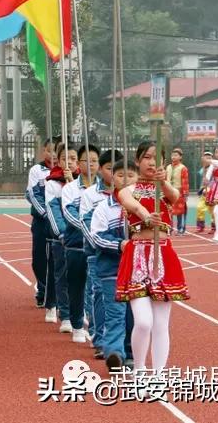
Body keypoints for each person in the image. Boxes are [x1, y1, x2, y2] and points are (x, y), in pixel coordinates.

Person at [115, 141, 190, 373]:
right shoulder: (127, 190)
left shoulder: (164, 190)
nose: (151, 162)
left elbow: (175, 196)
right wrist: (148, 217)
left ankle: (158, 375)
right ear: (137, 161)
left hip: (163, 255)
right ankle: (139, 369)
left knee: (160, 324)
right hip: (137, 255)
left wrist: (162, 180)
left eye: (157, 158)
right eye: (146, 157)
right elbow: (134, 206)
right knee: (144, 321)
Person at [89, 159, 137, 371]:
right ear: (112, 179)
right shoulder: (104, 208)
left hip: (137, 272)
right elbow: (97, 237)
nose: (125, 179)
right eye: (120, 175)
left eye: (130, 175)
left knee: (134, 315)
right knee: (116, 314)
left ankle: (131, 351)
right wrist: (120, 244)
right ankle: (115, 353)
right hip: (112, 270)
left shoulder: (143, 207)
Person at [80, 149, 122, 359]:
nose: (116, 175)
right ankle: (99, 337)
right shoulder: (90, 195)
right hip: (99, 254)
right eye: (110, 169)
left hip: (126, 257)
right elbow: (87, 225)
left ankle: (119, 345)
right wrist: (102, 245)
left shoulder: (131, 196)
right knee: (99, 294)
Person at [59, 143, 99, 344]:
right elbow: (69, 215)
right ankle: (76, 324)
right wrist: (91, 228)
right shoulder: (69, 189)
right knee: (76, 286)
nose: (91, 165)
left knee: (95, 289)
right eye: (86, 161)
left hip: (97, 248)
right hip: (76, 245)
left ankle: (95, 329)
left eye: (94, 161)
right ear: (78, 164)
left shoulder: (104, 189)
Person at [45, 142, 76, 332]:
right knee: (62, 276)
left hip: (82, 239)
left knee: (81, 278)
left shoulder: (86, 183)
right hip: (62, 238)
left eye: (73, 159)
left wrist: (72, 182)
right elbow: (53, 210)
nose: (69, 163)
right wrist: (63, 234)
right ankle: (65, 315)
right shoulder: (52, 183)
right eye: (65, 159)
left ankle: (79, 313)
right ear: (58, 160)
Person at [26, 139, 56, 314]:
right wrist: (46, 214)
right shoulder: (37, 170)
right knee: (39, 257)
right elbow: (31, 194)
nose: (52, 155)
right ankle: (43, 290)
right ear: (43, 151)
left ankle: (54, 293)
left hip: (60, 222)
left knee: (56, 257)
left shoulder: (67, 172)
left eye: (56, 151)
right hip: (42, 220)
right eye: (49, 150)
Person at [165, 148, 189, 235]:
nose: (173, 157)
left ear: (180, 157)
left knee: (180, 211)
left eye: (176, 155)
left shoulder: (183, 168)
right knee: (168, 210)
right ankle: (169, 228)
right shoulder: (168, 167)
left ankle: (180, 229)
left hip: (179, 192)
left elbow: (185, 181)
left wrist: (185, 193)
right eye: (172, 155)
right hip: (169, 191)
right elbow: (165, 179)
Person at [195, 151, 214, 234]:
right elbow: (201, 175)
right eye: (206, 158)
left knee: (212, 211)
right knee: (200, 208)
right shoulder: (202, 169)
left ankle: (214, 227)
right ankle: (200, 226)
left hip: (211, 193)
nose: (207, 160)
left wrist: (209, 188)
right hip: (203, 192)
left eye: (209, 158)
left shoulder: (214, 168)